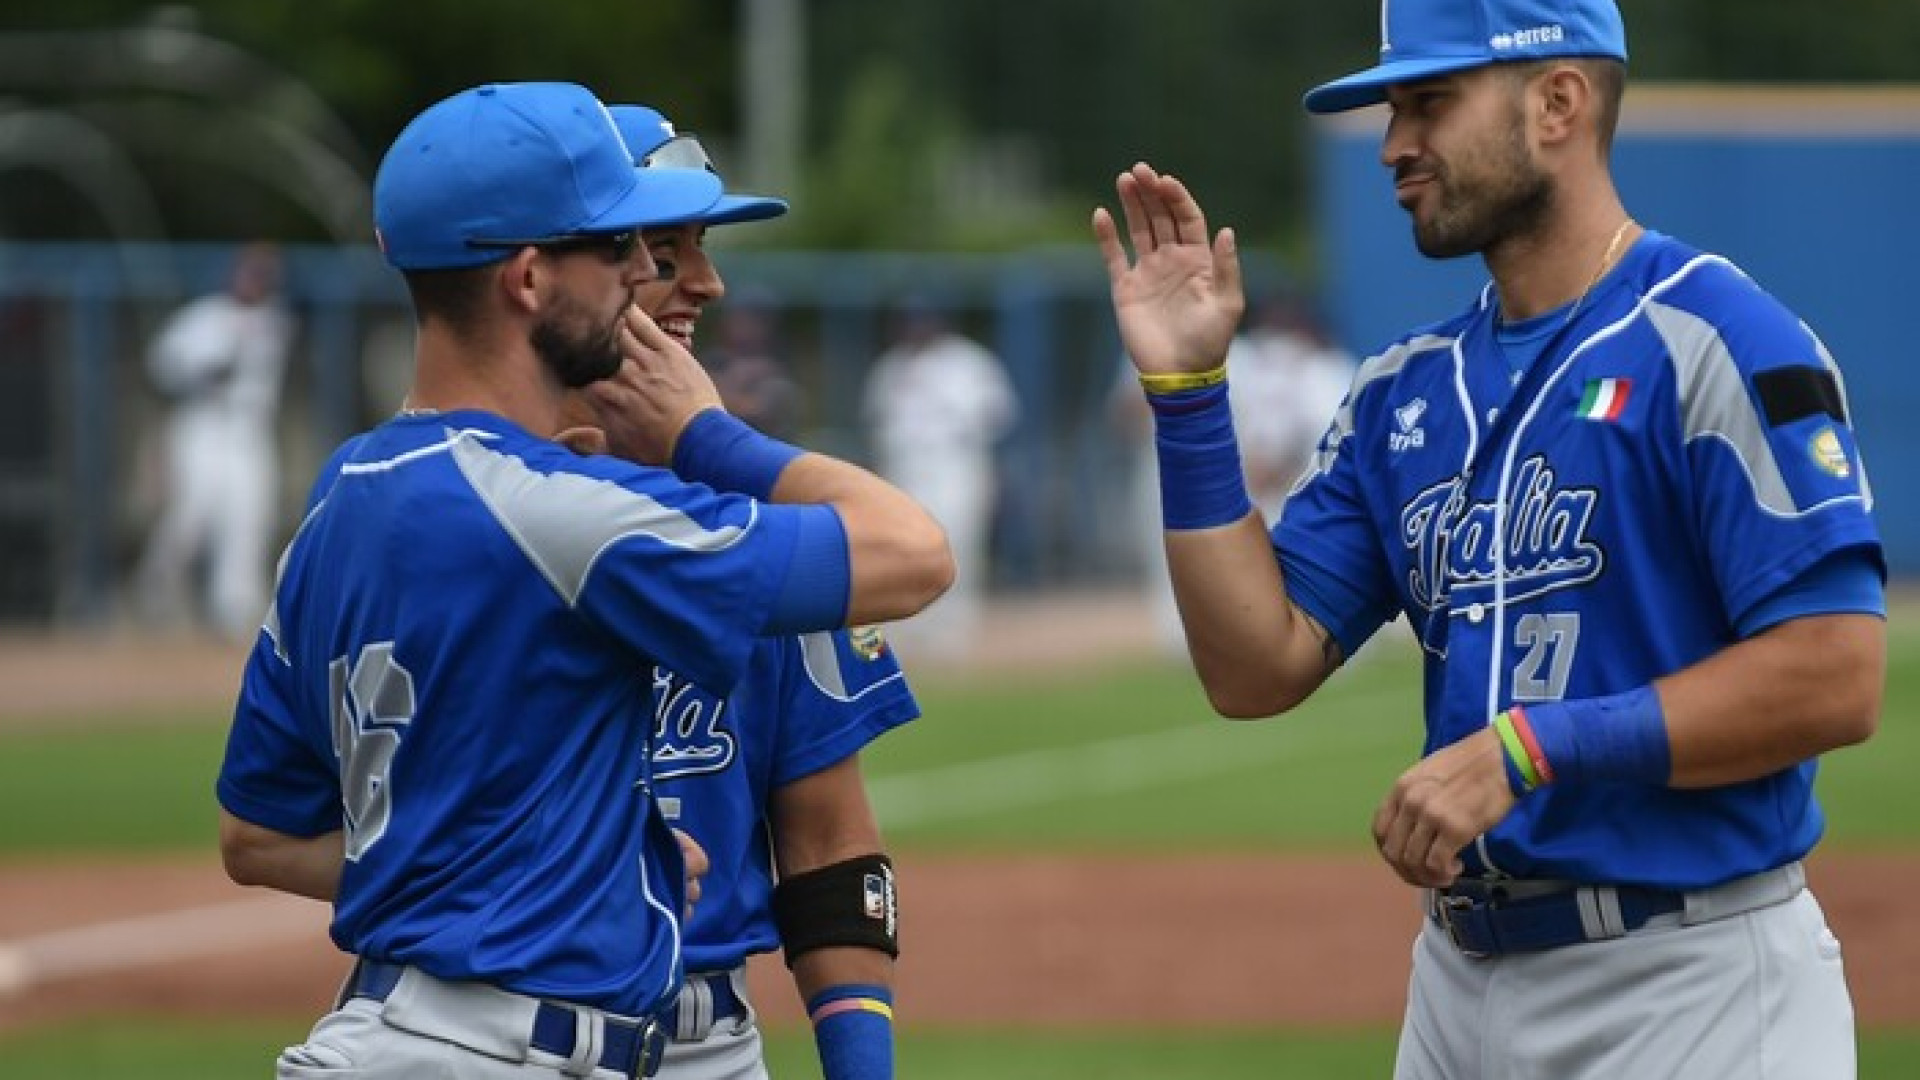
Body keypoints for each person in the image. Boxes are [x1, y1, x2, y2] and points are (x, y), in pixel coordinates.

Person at [1093, 0, 1885, 1076]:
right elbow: (1253, 666)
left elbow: (1836, 675)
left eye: (1430, 102)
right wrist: (1187, 395)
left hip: (1690, 979)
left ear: (1557, 101)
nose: (1393, 145)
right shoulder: (1402, 390)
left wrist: (1533, 747)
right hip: (1458, 985)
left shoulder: (1716, 338)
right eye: (1390, 109)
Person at [215, 81, 952, 1080]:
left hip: (659, 1036)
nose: (684, 278)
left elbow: (831, 844)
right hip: (486, 1035)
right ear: (528, 275)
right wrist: (714, 439)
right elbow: (914, 554)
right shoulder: (574, 504)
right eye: (639, 247)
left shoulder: (351, 498)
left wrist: (582, 868)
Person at [591, 103, 913, 1080]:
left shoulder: (750, 517)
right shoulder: (451, 498)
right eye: (665, 248)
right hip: (483, 1022)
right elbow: (267, 830)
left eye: (702, 246)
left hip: (706, 1038)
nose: (708, 281)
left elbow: (829, 840)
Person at [1108, 289, 1355, 654]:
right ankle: (1180, 642)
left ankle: (1281, 633)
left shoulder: (1240, 356)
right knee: (1168, 552)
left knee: (1261, 555)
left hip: (1237, 467)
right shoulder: (1145, 347)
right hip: (1161, 461)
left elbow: (1261, 421)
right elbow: (1123, 416)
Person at [134, 240, 294, 640]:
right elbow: (162, 363)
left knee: (250, 517)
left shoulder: (277, 321)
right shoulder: (205, 315)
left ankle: (234, 610)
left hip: (249, 428)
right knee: (192, 515)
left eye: (265, 275)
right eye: (252, 272)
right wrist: (202, 368)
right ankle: (156, 590)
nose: (257, 282)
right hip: (204, 424)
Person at [860, 298, 1017, 662]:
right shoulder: (892, 366)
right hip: (905, 467)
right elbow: (878, 423)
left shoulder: (967, 361)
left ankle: (952, 629)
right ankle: (911, 627)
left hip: (955, 464)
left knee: (957, 540)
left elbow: (997, 415)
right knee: (902, 545)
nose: (915, 331)